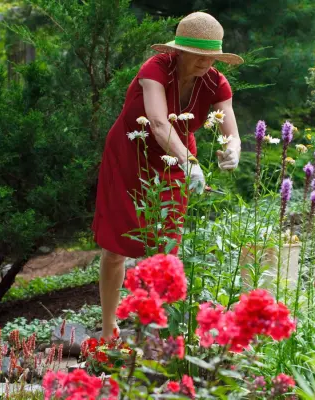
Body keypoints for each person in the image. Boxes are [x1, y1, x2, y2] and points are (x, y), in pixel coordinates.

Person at [91, 12, 243, 340]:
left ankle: (159, 333)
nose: (206, 62)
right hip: (132, 155)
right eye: (199, 54)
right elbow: (159, 124)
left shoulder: (217, 83)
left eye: (212, 56)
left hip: (174, 162)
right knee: (116, 247)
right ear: (180, 51)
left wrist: (233, 151)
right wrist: (189, 163)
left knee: (167, 247)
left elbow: (231, 128)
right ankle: (108, 330)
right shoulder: (155, 69)